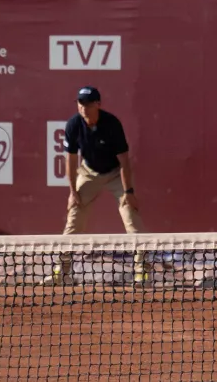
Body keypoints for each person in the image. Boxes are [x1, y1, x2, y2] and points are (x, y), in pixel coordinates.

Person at [44, 87, 146, 286]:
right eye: (80, 103)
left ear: (98, 104)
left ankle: (142, 273)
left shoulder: (112, 124)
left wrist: (128, 192)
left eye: (88, 104)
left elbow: (124, 161)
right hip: (89, 172)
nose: (84, 108)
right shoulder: (73, 125)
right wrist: (73, 192)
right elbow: (71, 160)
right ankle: (61, 272)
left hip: (115, 173)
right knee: (74, 220)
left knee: (131, 219)